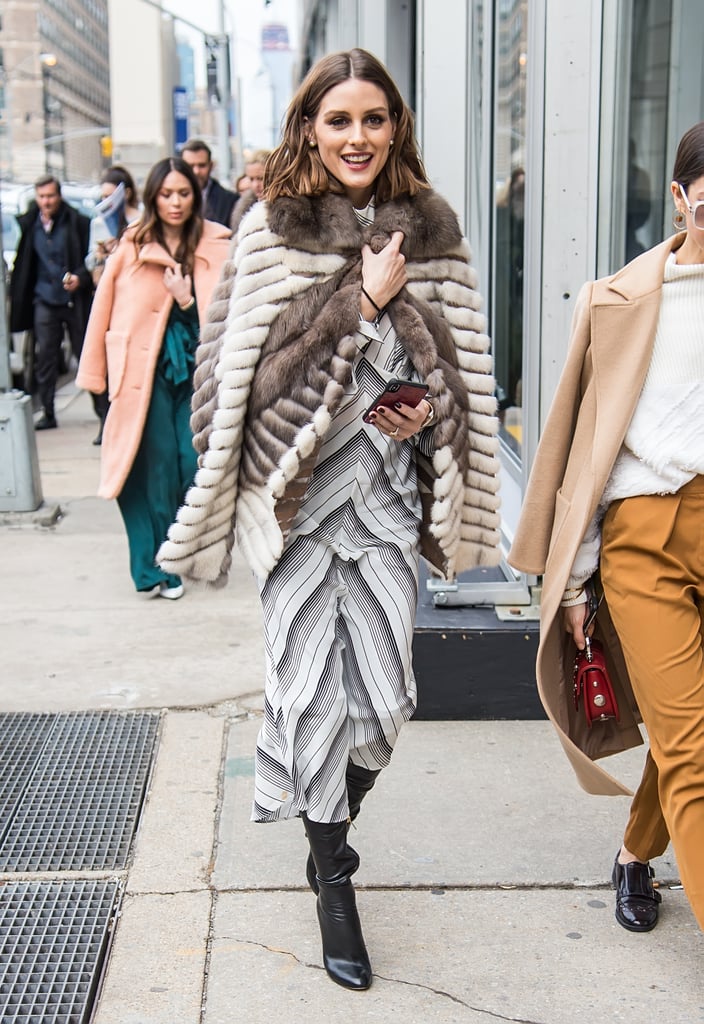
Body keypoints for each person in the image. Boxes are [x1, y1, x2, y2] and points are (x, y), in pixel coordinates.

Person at [158, 49, 501, 988]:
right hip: (304, 513)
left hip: (387, 506)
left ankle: (325, 828)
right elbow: (236, 383)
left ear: (396, 128)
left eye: (374, 120)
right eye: (338, 120)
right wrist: (361, 300)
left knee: (385, 711)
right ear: (309, 126)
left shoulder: (434, 231)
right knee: (310, 697)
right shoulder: (271, 232)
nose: (357, 137)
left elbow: (467, 384)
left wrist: (428, 413)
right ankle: (335, 882)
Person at [509, 121, 704, 936]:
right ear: (680, 198)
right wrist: (580, 574)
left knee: (691, 723)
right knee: (692, 745)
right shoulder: (619, 298)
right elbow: (587, 447)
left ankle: (634, 851)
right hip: (645, 534)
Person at [76, 157, 231, 599]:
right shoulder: (132, 246)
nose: (176, 202)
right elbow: (102, 310)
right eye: (167, 194)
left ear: (195, 195)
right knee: (151, 467)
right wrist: (95, 374)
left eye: (183, 193)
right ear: (153, 197)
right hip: (142, 374)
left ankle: (176, 552)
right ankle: (154, 567)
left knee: (191, 464)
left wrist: (186, 301)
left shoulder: (218, 245)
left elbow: (233, 313)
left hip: (198, 370)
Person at [9, 174, 97, 430]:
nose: (46, 202)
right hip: (43, 299)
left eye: (50, 196)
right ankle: (47, 411)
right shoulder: (29, 224)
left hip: (72, 300)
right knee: (45, 358)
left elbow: (90, 260)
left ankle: (102, 413)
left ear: (59, 196)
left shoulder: (77, 222)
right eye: (41, 197)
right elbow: (24, 262)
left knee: (86, 355)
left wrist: (80, 278)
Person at [84, 165, 141, 445]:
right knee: (103, 362)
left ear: (125, 193)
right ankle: (105, 420)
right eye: (102, 196)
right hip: (106, 296)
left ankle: (127, 421)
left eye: (111, 195)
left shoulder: (141, 220)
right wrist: (99, 255)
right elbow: (91, 267)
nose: (106, 202)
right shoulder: (98, 222)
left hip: (133, 300)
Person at [180, 138, 238, 226]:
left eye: (202, 165)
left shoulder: (230, 201)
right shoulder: (168, 200)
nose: (196, 171)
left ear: (211, 166)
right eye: (190, 166)